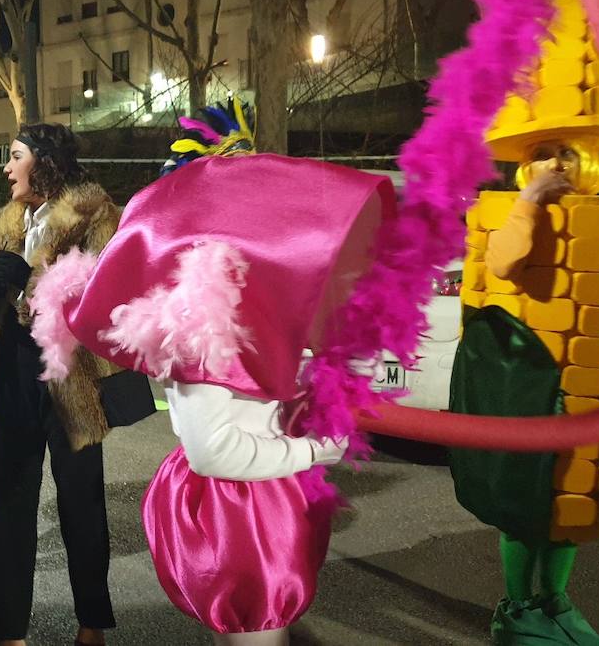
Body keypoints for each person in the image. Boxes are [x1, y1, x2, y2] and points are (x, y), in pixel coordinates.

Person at [29, 104, 398, 645]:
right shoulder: (203, 324)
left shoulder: (244, 304)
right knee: (255, 634)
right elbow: (213, 450)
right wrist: (316, 451)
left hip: (261, 502)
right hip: (243, 517)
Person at [0, 123, 119, 646]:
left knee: (82, 502)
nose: (6, 169)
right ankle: (8, 627)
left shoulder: (93, 212)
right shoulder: (6, 221)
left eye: (14, 157)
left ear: (44, 161)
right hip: (16, 372)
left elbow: (107, 291)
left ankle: (91, 622)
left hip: (71, 374)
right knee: (11, 498)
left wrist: (30, 280)